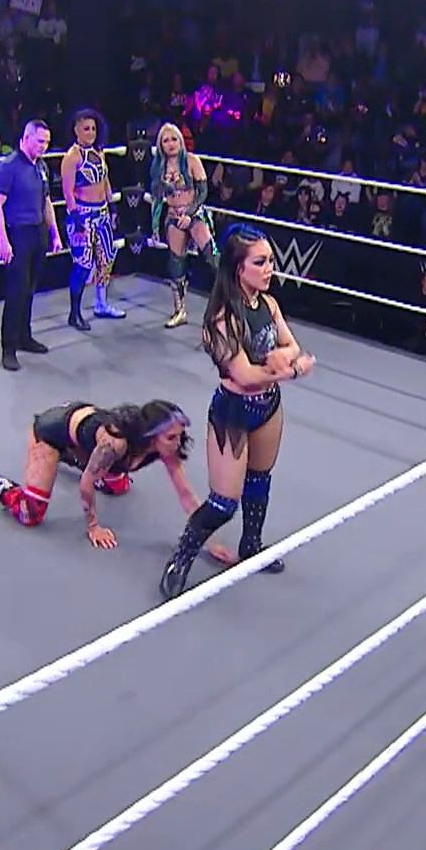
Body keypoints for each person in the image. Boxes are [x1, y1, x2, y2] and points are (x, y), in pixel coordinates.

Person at [160, 224, 316, 599]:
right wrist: (287, 368)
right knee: (224, 502)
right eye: (260, 262)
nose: (269, 269)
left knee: (260, 479)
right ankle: (181, 558)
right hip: (232, 410)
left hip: (268, 406)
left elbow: (293, 346)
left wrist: (284, 360)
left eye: (270, 261)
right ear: (238, 267)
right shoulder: (221, 318)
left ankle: (252, 545)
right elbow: (243, 375)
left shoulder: (269, 304)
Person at [0, 400, 227, 555]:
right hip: (51, 432)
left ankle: (72, 458)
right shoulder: (115, 443)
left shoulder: (165, 447)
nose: (177, 443)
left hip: (81, 428)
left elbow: (186, 495)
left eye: (179, 436)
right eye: (171, 437)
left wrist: (207, 541)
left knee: (118, 484)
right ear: (152, 436)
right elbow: (86, 483)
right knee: (30, 512)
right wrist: (93, 526)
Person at [0, 120, 62, 371]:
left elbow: (46, 201)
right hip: (17, 233)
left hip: (38, 231)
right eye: (40, 141)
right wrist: (3, 240)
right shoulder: (8, 166)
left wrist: (55, 233)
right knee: (16, 292)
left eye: (47, 142)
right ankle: (8, 348)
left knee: (30, 289)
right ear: (26, 137)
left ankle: (24, 336)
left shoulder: (41, 166)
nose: (44, 146)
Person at [60, 109, 124, 331]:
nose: (90, 133)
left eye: (93, 129)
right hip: (83, 214)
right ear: (76, 130)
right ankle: (74, 313)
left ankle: (101, 304)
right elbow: (67, 191)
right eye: (86, 129)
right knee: (83, 264)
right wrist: (76, 218)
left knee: (106, 258)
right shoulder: (72, 156)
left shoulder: (99, 151)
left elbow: (105, 180)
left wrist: (112, 207)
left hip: (102, 212)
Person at [149, 122, 215, 328]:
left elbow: (203, 192)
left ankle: (230, 303)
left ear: (180, 141)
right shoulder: (159, 167)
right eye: (165, 140)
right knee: (175, 262)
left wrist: (189, 213)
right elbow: (156, 196)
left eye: (174, 139)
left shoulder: (191, 161)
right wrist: (163, 190)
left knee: (212, 256)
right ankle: (179, 310)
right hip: (173, 215)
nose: (170, 144)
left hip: (194, 213)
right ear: (160, 145)